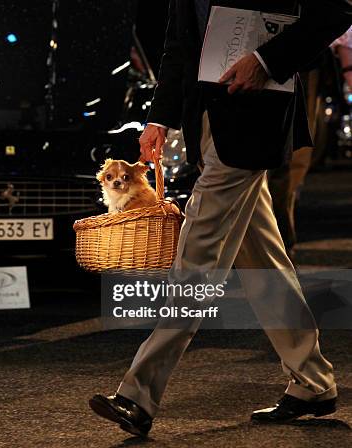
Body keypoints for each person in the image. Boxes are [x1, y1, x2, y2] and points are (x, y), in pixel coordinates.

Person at [90, 0, 351, 438]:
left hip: (255, 118)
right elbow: (180, 42)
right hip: (210, 119)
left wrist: (266, 61)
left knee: (196, 258)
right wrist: (159, 117)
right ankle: (313, 382)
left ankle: (138, 395)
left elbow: (336, 10)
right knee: (263, 261)